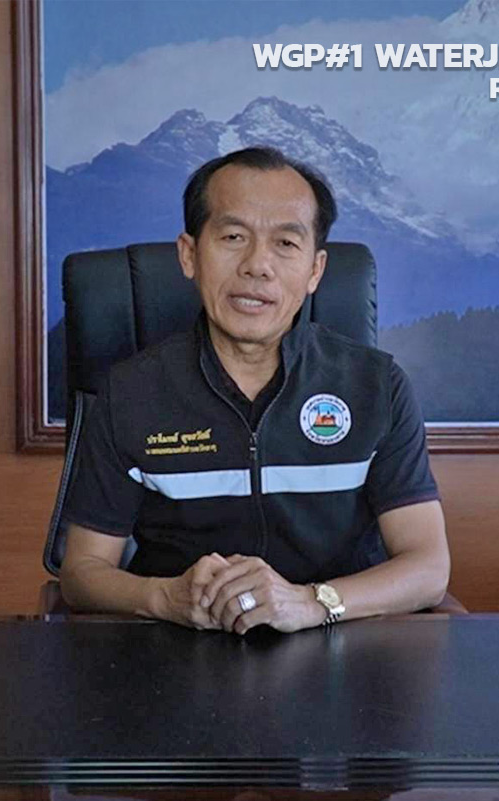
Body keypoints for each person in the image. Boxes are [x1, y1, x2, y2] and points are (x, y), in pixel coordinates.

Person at [58, 146, 449, 634]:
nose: (257, 265)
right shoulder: (129, 393)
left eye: (285, 243)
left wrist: (311, 603)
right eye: (233, 237)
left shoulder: (376, 386)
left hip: (339, 647)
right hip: (176, 652)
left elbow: (428, 567)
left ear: (315, 271)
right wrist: (165, 597)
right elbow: (82, 572)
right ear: (189, 255)